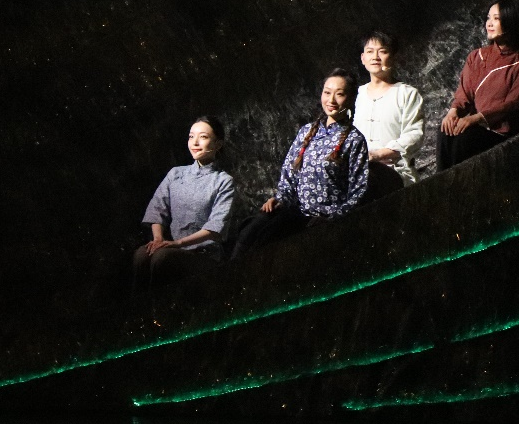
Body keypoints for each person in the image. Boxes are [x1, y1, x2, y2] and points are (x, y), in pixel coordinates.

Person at [227, 68, 369, 259]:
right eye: (327, 92)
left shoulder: (354, 140)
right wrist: (280, 198)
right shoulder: (306, 132)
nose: (331, 100)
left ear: (351, 99)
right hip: (297, 213)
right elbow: (289, 175)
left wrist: (333, 218)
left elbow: (358, 191)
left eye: (340, 94)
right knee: (251, 232)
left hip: (326, 220)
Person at [132, 115, 236, 295]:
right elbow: (157, 208)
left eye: (203, 137)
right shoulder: (176, 174)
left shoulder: (223, 181)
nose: (195, 142)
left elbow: (215, 228)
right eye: (191, 136)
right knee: (142, 254)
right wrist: (158, 240)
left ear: (218, 144)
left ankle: (161, 308)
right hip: (172, 247)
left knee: (162, 258)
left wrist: (178, 243)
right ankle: (136, 309)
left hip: (204, 255)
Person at [438, 0, 519, 170]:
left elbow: (513, 103)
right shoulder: (476, 56)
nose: (489, 23)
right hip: (474, 127)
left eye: (496, 19)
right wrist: (453, 112)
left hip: (501, 134)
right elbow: (464, 93)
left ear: (511, 21)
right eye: (488, 18)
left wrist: (475, 119)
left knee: (465, 137)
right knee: (445, 130)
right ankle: (441, 182)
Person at [355, 31, 425, 200]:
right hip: (357, 172)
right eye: (370, 51)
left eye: (383, 51)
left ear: (393, 57)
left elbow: (414, 135)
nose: (375, 57)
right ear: (363, 58)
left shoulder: (407, 94)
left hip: (394, 172)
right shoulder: (356, 95)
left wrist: (377, 155)